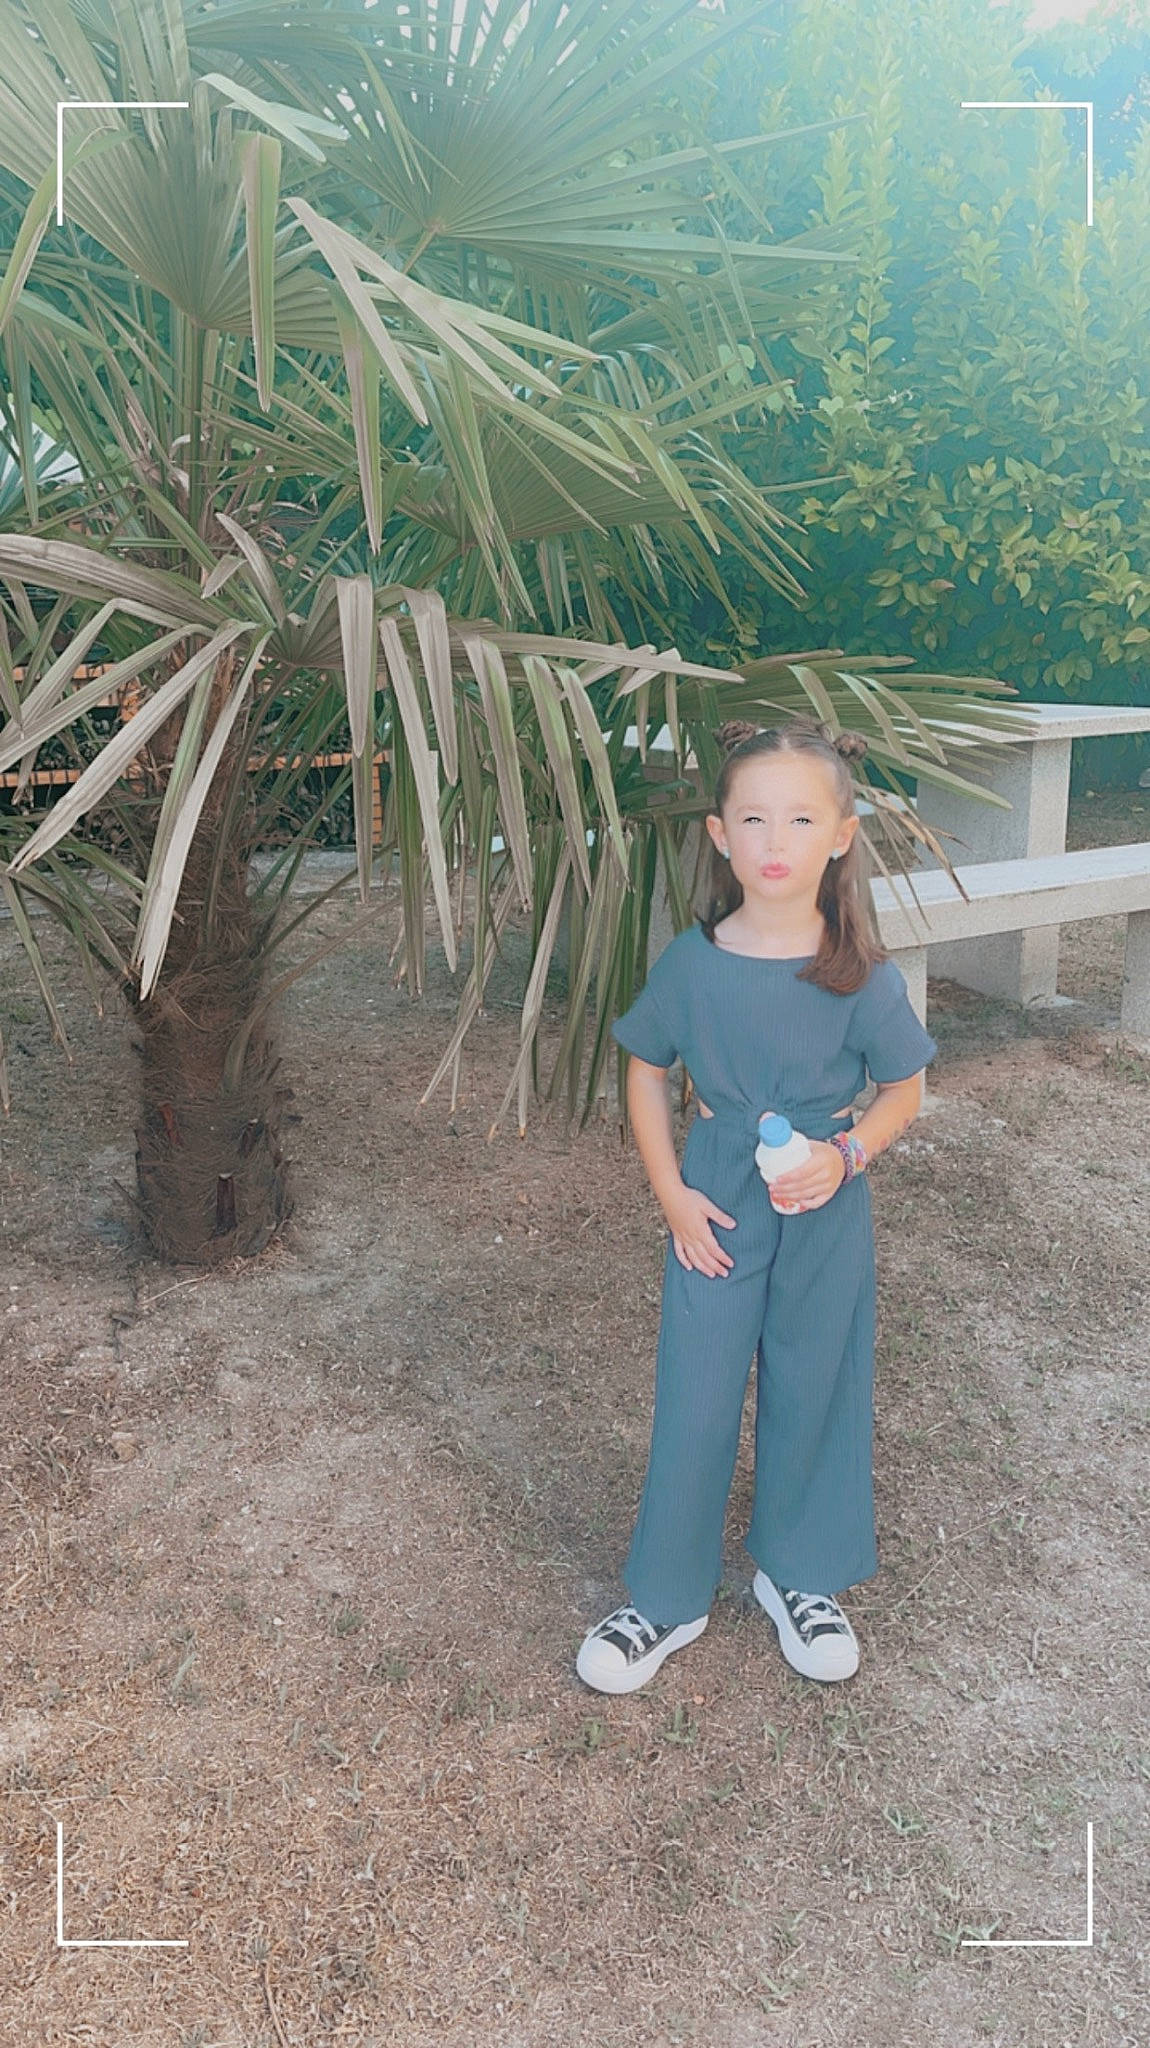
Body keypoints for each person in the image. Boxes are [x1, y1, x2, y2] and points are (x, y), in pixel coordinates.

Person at [576, 714, 938, 1695]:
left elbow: (904, 1087)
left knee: (814, 1381)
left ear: (840, 832)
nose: (775, 843)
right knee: (696, 1389)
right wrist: (670, 1194)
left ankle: (800, 1574)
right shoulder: (692, 963)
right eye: (753, 818)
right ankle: (666, 1593)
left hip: (824, 1202)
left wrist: (848, 1151)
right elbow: (646, 1067)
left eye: (799, 819)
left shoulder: (861, 973)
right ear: (718, 834)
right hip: (718, 1198)